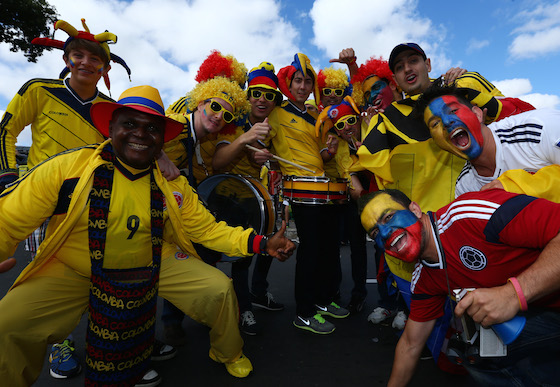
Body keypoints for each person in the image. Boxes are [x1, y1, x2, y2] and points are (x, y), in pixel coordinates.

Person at [0, 85, 296, 386]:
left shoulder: (174, 185)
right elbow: (7, 220)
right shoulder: (67, 168)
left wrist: (261, 243)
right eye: (129, 124)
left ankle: (228, 353)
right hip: (74, 266)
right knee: (7, 324)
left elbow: (207, 229)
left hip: (153, 260)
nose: (141, 134)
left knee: (218, 288)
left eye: (152, 128)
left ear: (162, 138)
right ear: (110, 127)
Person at [0, 18, 177, 384]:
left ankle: (124, 344)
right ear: (66, 59)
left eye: (94, 59)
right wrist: (6, 181)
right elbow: (7, 130)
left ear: (105, 67)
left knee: (105, 274)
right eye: (77, 55)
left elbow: (131, 143)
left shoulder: (111, 108)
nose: (85, 63)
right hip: (46, 200)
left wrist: (161, 155)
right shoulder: (38, 89)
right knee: (53, 274)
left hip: (98, 201)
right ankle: (59, 343)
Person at [359, 188, 560, 386]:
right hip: (541, 313)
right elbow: (411, 343)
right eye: (375, 232)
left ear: (415, 210)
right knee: (476, 353)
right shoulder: (424, 277)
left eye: (389, 217)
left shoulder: (466, 214)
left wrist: (513, 294)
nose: (384, 233)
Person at [161, 62, 251, 345]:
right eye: (214, 106)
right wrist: (157, 152)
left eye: (226, 112)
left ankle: (202, 315)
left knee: (199, 259)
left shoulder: (223, 127)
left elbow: (219, 158)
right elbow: (142, 129)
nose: (219, 114)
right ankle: (170, 323)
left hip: (197, 197)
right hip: (158, 203)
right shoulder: (179, 117)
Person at [267, 53, 349, 334]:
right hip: (301, 192)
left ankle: (324, 301)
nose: (302, 86)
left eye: (307, 81)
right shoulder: (276, 113)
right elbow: (260, 139)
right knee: (311, 253)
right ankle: (303, 312)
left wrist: (329, 152)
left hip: (324, 189)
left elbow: (319, 157)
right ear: (289, 83)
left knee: (328, 251)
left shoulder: (315, 114)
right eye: (297, 80)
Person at [212, 62, 284, 335]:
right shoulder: (234, 121)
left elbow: (275, 164)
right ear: (247, 95)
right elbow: (219, 162)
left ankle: (258, 292)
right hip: (229, 197)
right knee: (241, 256)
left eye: (270, 95)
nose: (262, 100)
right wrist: (244, 140)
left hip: (260, 198)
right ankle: (244, 310)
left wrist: (266, 161)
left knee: (269, 245)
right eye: (256, 93)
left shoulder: (273, 127)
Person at [414, 83, 560, 198]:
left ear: (477, 114)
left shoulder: (540, 127)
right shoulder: (465, 189)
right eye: (435, 124)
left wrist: (517, 187)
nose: (446, 122)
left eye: (453, 111)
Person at [315, 96, 369, 314]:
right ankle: (350, 293)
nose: (346, 127)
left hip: (380, 189)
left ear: (357, 118)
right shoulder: (341, 148)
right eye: (340, 125)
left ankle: (382, 298)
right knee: (354, 247)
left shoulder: (372, 129)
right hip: (356, 198)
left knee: (377, 250)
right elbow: (349, 175)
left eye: (350, 121)